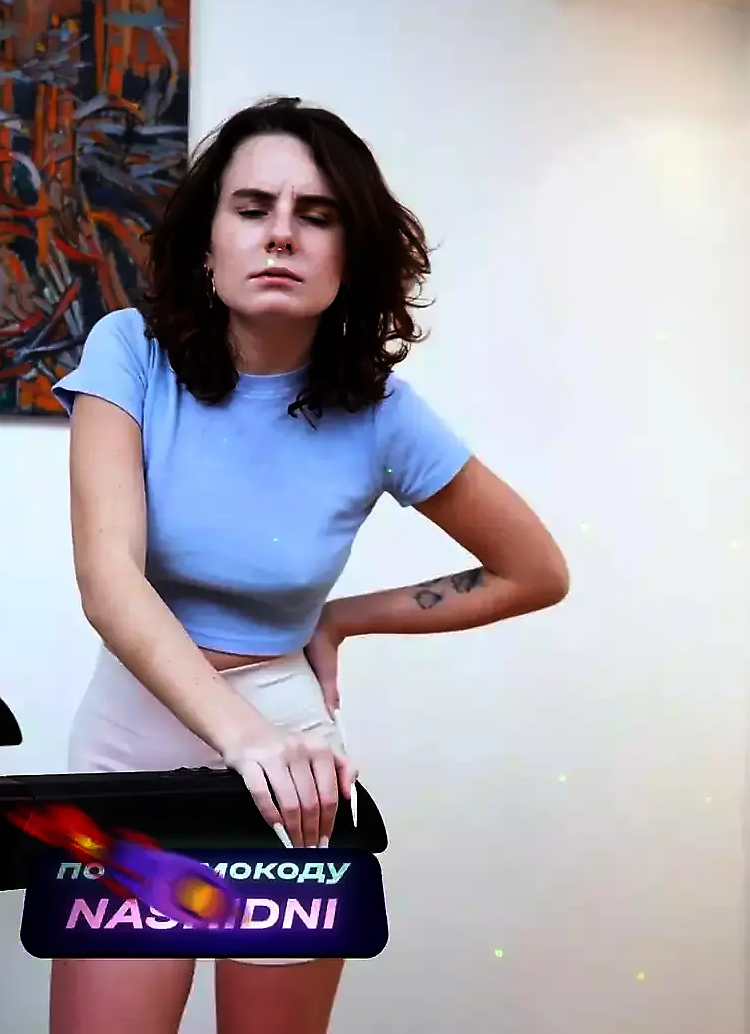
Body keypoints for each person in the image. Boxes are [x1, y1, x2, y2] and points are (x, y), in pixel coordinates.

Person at [47, 96, 571, 1034]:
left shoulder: (381, 413)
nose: (281, 234)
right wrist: (240, 737)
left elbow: (533, 569)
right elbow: (108, 580)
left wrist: (341, 619)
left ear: (349, 255)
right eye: (253, 208)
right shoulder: (130, 353)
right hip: (133, 743)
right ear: (208, 244)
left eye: (316, 215)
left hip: (294, 764)